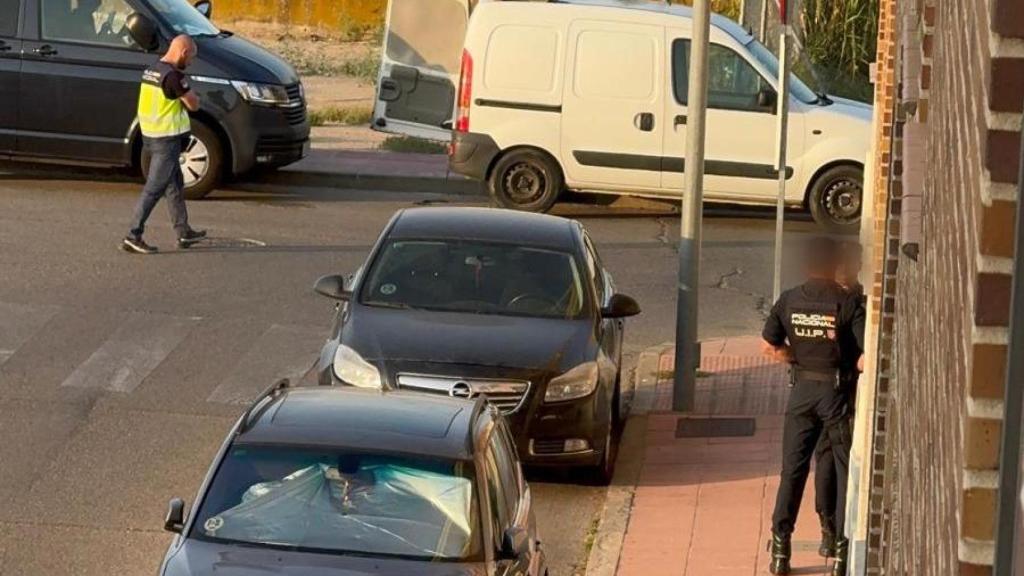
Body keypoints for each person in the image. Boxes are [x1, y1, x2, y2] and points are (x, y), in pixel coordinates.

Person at [763, 237, 865, 576]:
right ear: (835, 264)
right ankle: (839, 554)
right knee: (842, 467)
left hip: (801, 392)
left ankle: (780, 550)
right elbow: (866, 356)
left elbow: (770, 345)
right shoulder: (847, 302)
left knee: (791, 471)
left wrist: (796, 357)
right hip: (835, 394)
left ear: (807, 265)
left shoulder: (789, 299)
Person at [122, 34, 206, 254]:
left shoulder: (152, 70)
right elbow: (193, 104)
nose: (189, 64)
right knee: (154, 189)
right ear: (184, 52)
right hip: (166, 141)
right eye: (190, 59)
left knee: (174, 185)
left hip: (151, 136)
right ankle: (133, 234)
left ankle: (183, 232)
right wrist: (194, 95)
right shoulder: (173, 78)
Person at [813, 241, 865, 559]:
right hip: (838, 392)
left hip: (826, 390)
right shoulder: (853, 301)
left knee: (829, 459)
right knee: (834, 460)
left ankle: (832, 531)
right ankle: (832, 530)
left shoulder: (830, 297)